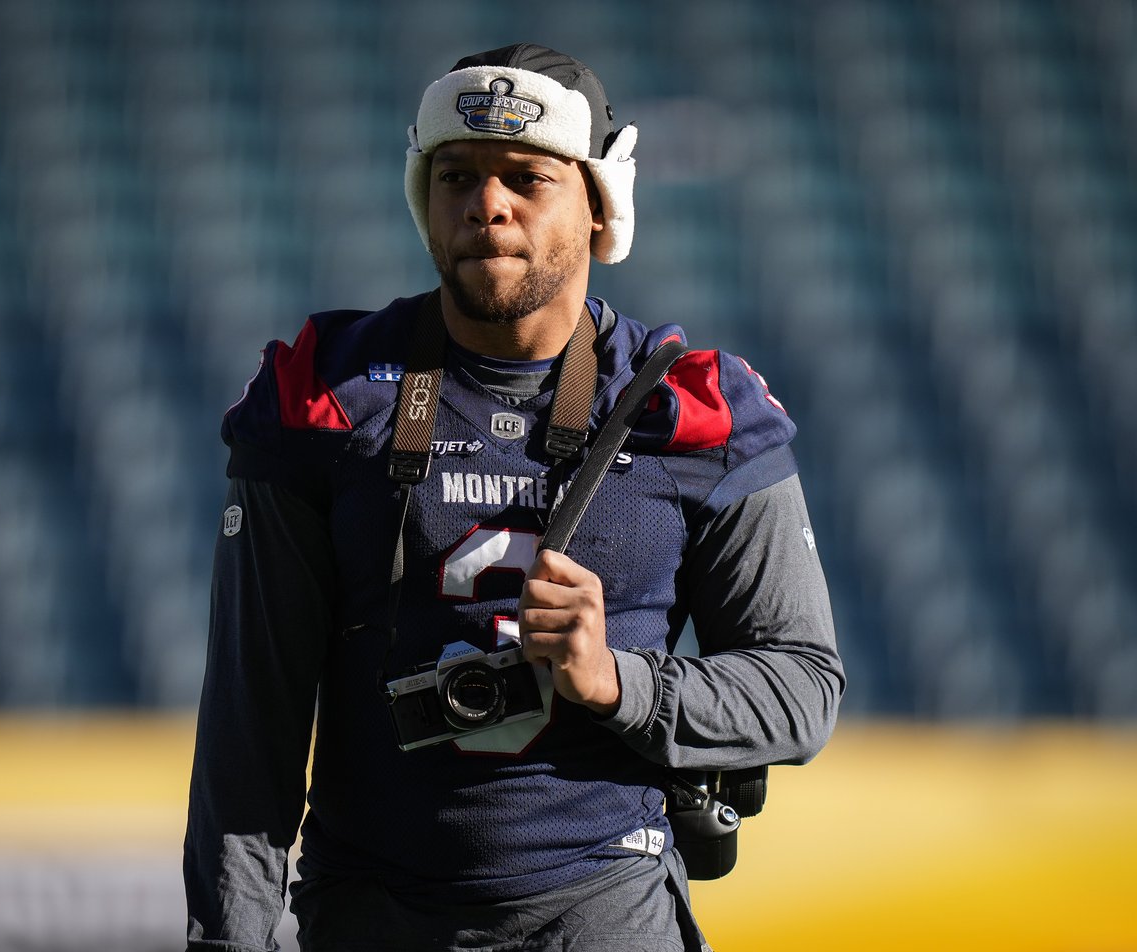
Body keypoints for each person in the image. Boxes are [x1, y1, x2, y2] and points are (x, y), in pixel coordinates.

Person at [184, 43, 843, 952]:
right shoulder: (324, 395)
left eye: (527, 178)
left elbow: (802, 689)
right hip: (373, 914)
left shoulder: (693, 408)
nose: (487, 203)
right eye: (457, 175)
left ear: (599, 202)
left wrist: (618, 679)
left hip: (605, 911)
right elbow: (250, 725)